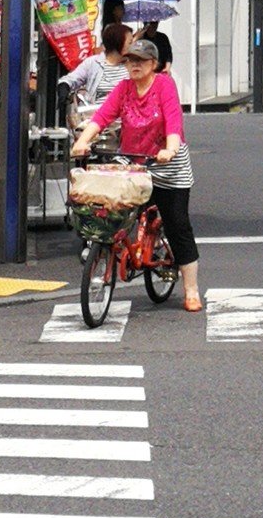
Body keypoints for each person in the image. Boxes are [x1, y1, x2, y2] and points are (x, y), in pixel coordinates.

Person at [71, 38, 201, 313]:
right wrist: (83, 140)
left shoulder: (164, 85)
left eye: (140, 61)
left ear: (153, 64)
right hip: (132, 159)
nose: (134, 66)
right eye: (130, 61)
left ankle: (191, 289)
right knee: (108, 206)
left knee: (177, 225)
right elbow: (102, 117)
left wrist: (171, 148)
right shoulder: (124, 88)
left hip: (167, 164)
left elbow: (173, 120)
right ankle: (106, 249)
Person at [58, 21, 133, 125]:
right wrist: (64, 87)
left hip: (125, 125)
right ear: (118, 42)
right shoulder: (93, 63)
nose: (133, 46)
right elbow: (70, 79)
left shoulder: (133, 66)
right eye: (130, 42)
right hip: (95, 124)